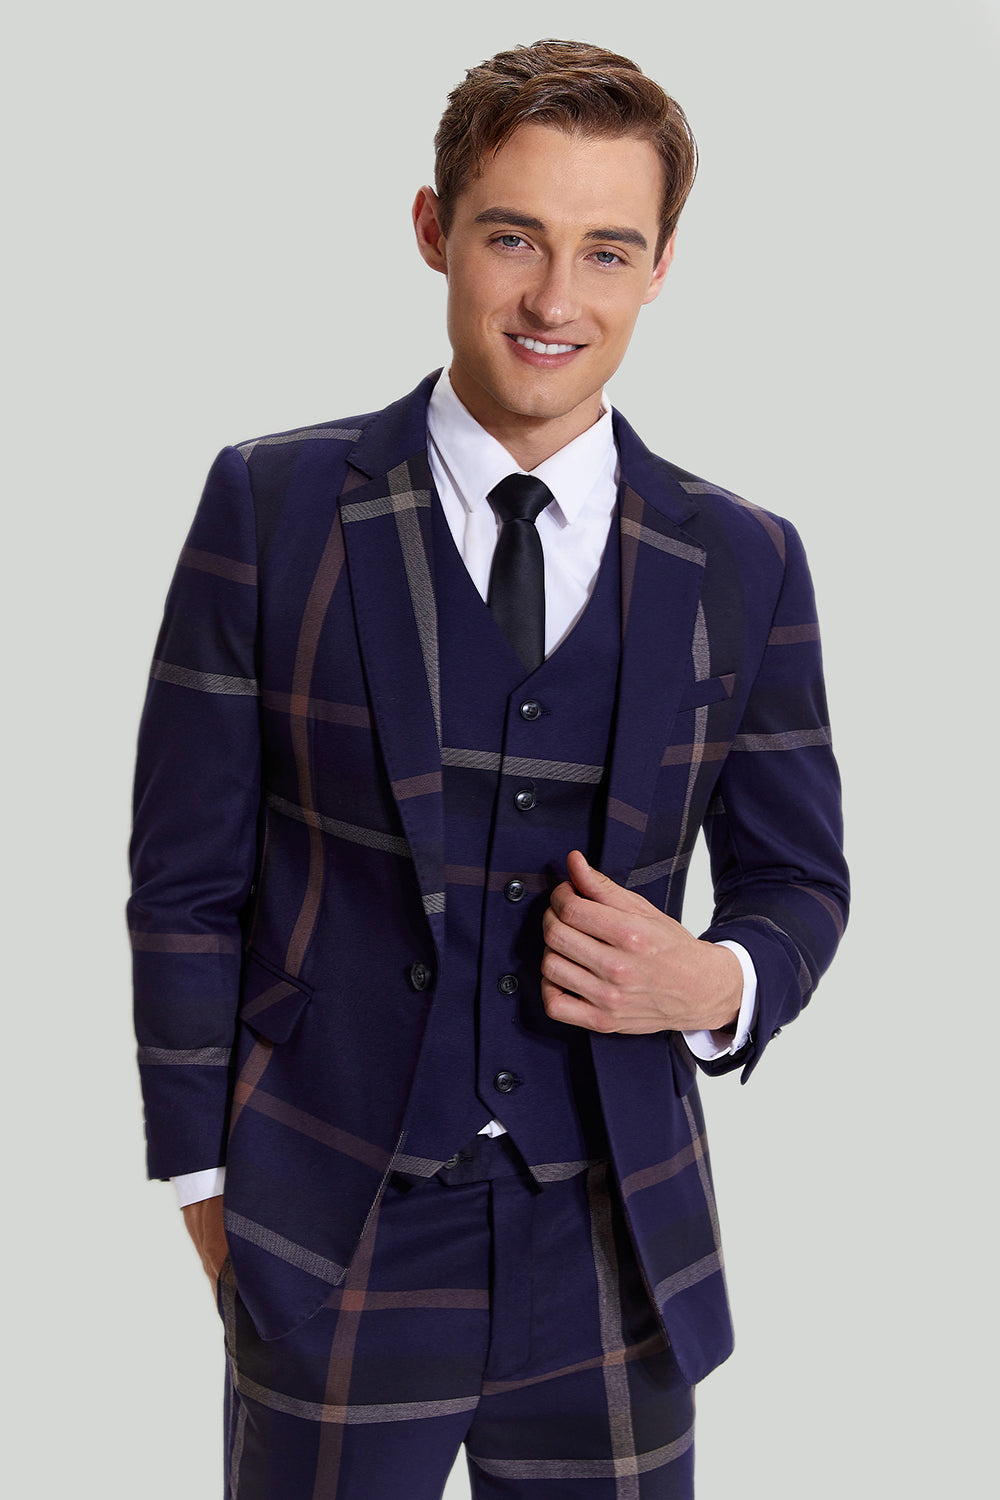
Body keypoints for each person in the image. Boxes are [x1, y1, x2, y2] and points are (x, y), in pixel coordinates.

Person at [129, 38, 848, 1499]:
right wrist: (202, 1179)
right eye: (514, 237)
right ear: (434, 230)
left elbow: (799, 880)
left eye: (607, 251)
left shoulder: (743, 558)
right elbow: (185, 880)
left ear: (659, 268)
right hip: (331, 1223)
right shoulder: (273, 505)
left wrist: (716, 985)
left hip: (617, 1241)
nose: (554, 299)